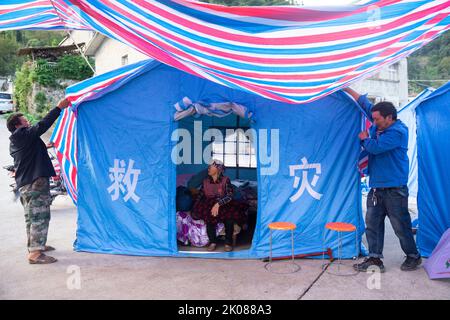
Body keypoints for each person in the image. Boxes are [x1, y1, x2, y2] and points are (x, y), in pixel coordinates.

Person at [343, 88, 421, 272]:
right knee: (373, 225)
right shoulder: (380, 123)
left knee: (401, 226)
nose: (374, 121)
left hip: (395, 189)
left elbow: (376, 148)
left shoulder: (398, 131)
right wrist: (345, 87)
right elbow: (365, 104)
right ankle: (375, 259)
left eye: (377, 119)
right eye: (374, 118)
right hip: (377, 188)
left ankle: (413, 256)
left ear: (390, 117)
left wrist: (364, 139)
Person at [7, 98, 70, 264]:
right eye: (25, 121)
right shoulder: (21, 135)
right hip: (34, 182)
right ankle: (35, 254)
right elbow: (42, 125)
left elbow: (31, 150)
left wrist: (46, 146)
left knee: (32, 216)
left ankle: (36, 245)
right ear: (17, 126)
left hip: (27, 183)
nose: (28, 123)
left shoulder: (19, 139)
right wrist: (58, 108)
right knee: (40, 216)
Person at [191, 159, 248, 252]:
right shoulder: (205, 181)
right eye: (208, 166)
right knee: (209, 217)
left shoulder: (225, 180)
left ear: (218, 169)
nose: (208, 168)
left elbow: (229, 195)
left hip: (223, 203)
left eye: (211, 167)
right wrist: (195, 207)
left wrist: (218, 204)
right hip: (209, 204)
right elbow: (200, 195)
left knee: (230, 218)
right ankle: (213, 242)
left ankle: (228, 243)